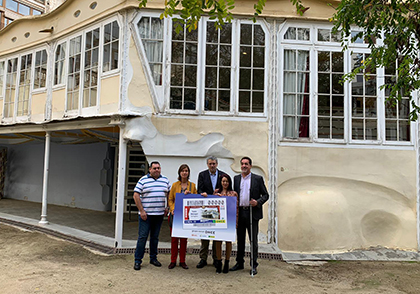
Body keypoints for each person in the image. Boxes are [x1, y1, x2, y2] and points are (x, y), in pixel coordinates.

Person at [230, 157, 269, 276]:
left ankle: (253, 265)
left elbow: (266, 195)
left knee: (253, 241)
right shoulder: (236, 179)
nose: (244, 166)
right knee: (240, 240)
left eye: (246, 164)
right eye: (242, 164)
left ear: (250, 166)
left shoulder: (257, 179)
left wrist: (258, 202)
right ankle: (239, 262)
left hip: (252, 213)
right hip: (240, 212)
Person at [133, 161, 170, 271]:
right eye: (154, 168)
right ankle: (137, 260)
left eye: (158, 168)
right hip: (146, 216)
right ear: (150, 169)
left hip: (158, 215)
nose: (157, 170)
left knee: (155, 238)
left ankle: (153, 258)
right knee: (142, 237)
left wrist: (167, 207)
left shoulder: (165, 180)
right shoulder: (143, 180)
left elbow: (169, 194)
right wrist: (142, 211)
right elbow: (136, 195)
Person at [196, 156, 227, 269]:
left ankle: (216, 258)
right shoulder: (202, 175)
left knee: (216, 234)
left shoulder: (223, 175)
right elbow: (199, 189)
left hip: (218, 210)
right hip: (205, 208)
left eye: (214, 163)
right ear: (207, 164)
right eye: (210, 164)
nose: (212, 165)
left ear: (217, 164)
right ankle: (203, 258)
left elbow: (226, 189)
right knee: (204, 235)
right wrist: (204, 194)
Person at [167, 164, 197, 270]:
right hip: (175, 215)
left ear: (188, 173)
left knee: (184, 240)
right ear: (179, 173)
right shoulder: (175, 185)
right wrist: (172, 209)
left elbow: (196, 200)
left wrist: (190, 195)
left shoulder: (192, 186)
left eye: (186, 171)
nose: (184, 172)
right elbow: (170, 199)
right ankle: (173, 260)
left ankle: (183, 261)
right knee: (174, 239)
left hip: (186, 216)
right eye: (182, 171)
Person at [213, 174, 238, 273]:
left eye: (227, 181)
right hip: (218, 221)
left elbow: (236, 209)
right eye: (223, 181)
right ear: (220, 182)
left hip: (229, 221)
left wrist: (235, 222)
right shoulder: (216, 193)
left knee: (228, 242)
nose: (225, 183)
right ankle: (219, 262)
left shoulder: (233, 194)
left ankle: (227, 262)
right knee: (218, 242)